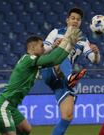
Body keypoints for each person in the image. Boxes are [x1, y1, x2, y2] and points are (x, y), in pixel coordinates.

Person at [0, 27, 82, 135]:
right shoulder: (29, 60)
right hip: (3, 106)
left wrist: (70, 45)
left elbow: (58, 59)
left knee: (26, 129)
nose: (44, 48)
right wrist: (66, 39)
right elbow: (53, 59)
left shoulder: (34, 62)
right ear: (33, 48)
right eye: (41, 46)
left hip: (11, 107)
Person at [41, 7, 100, 135]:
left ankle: (68, 78)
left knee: (67, 115)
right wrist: (53, 45)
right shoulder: (56, 32)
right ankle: (69, 78)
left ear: (80, 23)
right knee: (64, 50)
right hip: (49, 69)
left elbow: (94, 60)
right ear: (67, 20)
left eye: (78, 19)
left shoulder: (83, 40)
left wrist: (96, 52)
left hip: (61, 78)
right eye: (72, 18)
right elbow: (42, 50)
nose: (75, 21)